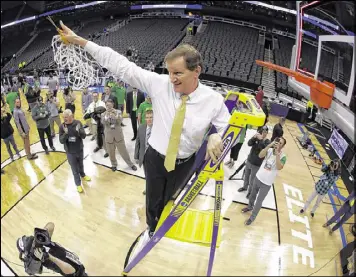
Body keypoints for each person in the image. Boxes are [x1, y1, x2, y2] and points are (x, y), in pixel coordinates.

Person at [59, 22, 230, 238]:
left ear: (197, 71)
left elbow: (227, 126)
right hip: (156, 159)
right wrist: (81, 42)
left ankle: (163, 221)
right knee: (152, 199)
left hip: (185, 163)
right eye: (169, 72)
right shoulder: (159, 84)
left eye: (178, 73)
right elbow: (121, 65)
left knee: (171, 198)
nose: (172, 78)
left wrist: (215, 133)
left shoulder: (213, 100)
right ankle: (151, 228)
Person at [242, 137, 287, 225]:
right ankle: (249, 206)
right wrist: (270, 145)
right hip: (258, 177)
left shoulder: (283, 156)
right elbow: (260, 155)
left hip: (267, 183)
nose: (278, 144)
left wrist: (277, 154)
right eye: (277, 142)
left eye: (280, 143)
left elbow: (279, 167)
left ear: (283, 146)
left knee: (259, 201)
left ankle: (252, 217)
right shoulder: (269, 150)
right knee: (252, 195)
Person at [16, 222, 87, 276]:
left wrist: (42, 232)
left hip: (77, 264)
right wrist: (49, 257)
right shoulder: (43, 259)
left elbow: (51, 225)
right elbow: (72, 271)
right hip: (76, 273)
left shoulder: (43, 241)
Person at [59, 109, 91, 193]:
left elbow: (84, 136)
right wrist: (65, 134)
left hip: (79, 149)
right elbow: (61, 141)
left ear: (71, 117)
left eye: (66, 117)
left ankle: (83, 175)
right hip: (70, 152)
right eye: (63, 117)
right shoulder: (62, 127)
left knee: (81, 165)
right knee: (74, 169)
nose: (64, 119)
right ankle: (78, 184)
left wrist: (80, 131)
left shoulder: (78, 123)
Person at [101, 99, 137, 172]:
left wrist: (115, 115)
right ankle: (114, 164)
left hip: (118, 136)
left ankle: (130, 164)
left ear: (113, 105)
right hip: (109, 136)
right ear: (106, 106)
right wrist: (107, 116)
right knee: (111, 152)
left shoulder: (118, 112)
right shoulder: (103, 114)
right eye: (107, 105)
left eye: (110, 105)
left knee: (124, 151)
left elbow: (120, 121)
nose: (109, 107)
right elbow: (103, 122)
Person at [238, 125, 270, 197]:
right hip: (250, 160)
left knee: (252, 179)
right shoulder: (256, 138)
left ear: (267, 133)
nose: (263, 133)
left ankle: (250, 192)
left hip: (257, 164)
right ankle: (245, 187)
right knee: (246, 175)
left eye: (265, 132)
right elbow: (249, 143)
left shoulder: (267, 142)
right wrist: (254, 137)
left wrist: (261, 140)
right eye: (262, 131)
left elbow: (262, 149)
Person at [135, 109, 153, 195]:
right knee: (147, 174)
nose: (149, 119)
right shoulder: (141, 127)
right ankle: (148, 188)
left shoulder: (159, 129)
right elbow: (137, 142)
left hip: (156, 157)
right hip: (145, 156)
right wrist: (136, 156)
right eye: (147, 117)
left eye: (151, 117)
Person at [84, 92, 108, 156]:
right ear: (92, 97)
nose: (95, 97)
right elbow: (88, 112)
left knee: (103, 136)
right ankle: (99, 145)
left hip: (101, 123)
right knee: (96, 135)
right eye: (93, 96)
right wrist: (85, 115)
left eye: (96, 96)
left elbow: (105, 111)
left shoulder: (102, 103)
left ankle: (107, 150)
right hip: (94, 123)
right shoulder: (91, 105)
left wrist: (98, 113)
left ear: (98, 96)